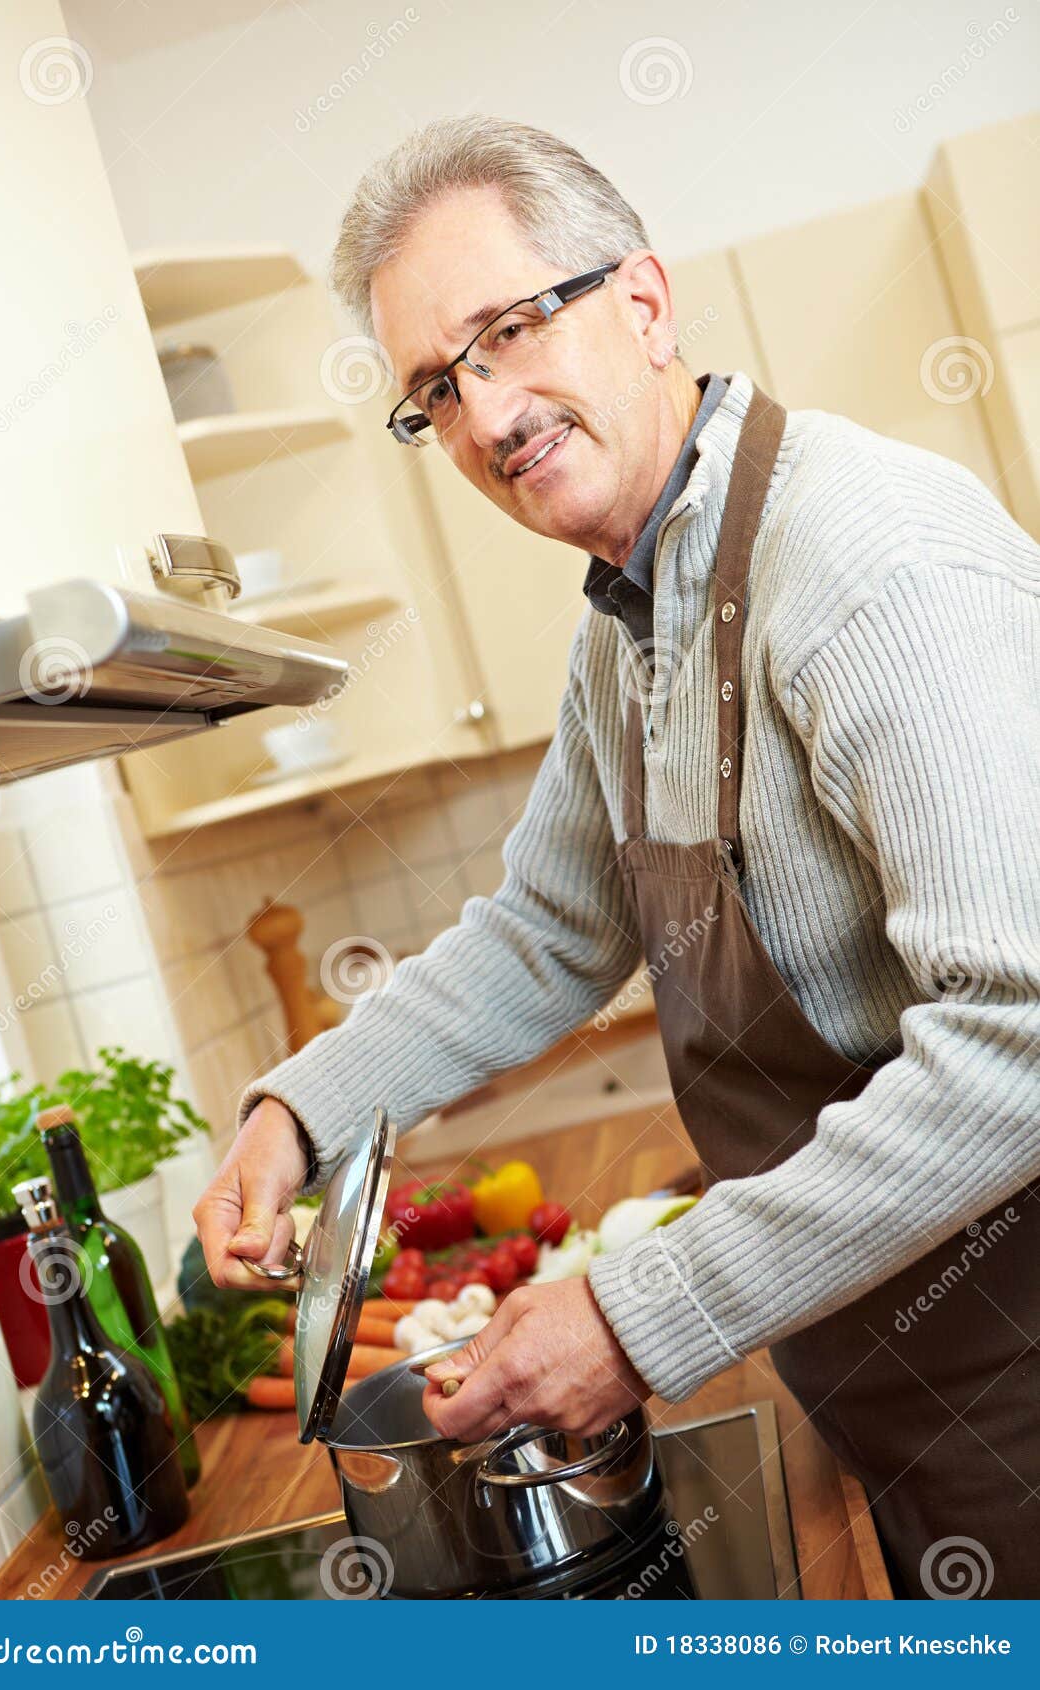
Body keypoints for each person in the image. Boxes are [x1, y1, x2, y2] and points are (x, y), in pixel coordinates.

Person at [193, 116, 1040, 1598]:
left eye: (510, 331)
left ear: (643, 301)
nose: (484, 413)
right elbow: (548, 929)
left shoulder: (862, 562)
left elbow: (1020, 1040)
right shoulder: (634, 611)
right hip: (904, 1373)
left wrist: (640, 1311)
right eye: (433, 390)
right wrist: (299, 1111)